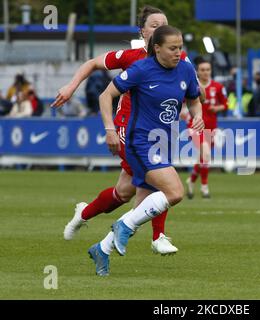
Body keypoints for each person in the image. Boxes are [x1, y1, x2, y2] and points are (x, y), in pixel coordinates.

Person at [52, 6, 183, 255]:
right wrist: (71, 87)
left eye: (163, 25)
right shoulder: (131, 57)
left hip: (158, 132)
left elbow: (185, 90)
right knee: (156, 177)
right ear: (143, 31)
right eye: (154, 25)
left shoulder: (179, 58)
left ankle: (85, 213)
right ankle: (157, 237)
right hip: (128, 129)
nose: (160, 29)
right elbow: (92, 64)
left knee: (122, 193)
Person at [88, 25, 204, 276]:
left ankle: (102, 249)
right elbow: (106, 96)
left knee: (140, 209)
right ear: (157, 48)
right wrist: (109, 129)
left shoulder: (185, 68)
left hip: (165, 143)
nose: (178, 53)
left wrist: (198, 116)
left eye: (181, 47)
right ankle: (122, 226)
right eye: (173, 48)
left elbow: (194, 99)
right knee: (174, 192)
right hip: (140, 142)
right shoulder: (141, 69)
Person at [183, 58, 228, 199]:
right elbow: (183, 104)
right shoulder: (191, 86)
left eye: (208, 69)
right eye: (202, 70)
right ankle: (204, 187)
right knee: (207, 155)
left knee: (202, 158)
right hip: (195, 126)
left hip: (211, 127)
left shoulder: (218, 87)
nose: (205, 72)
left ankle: (191, 181)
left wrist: (218, 108)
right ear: (197, 71)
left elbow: (226, 104)